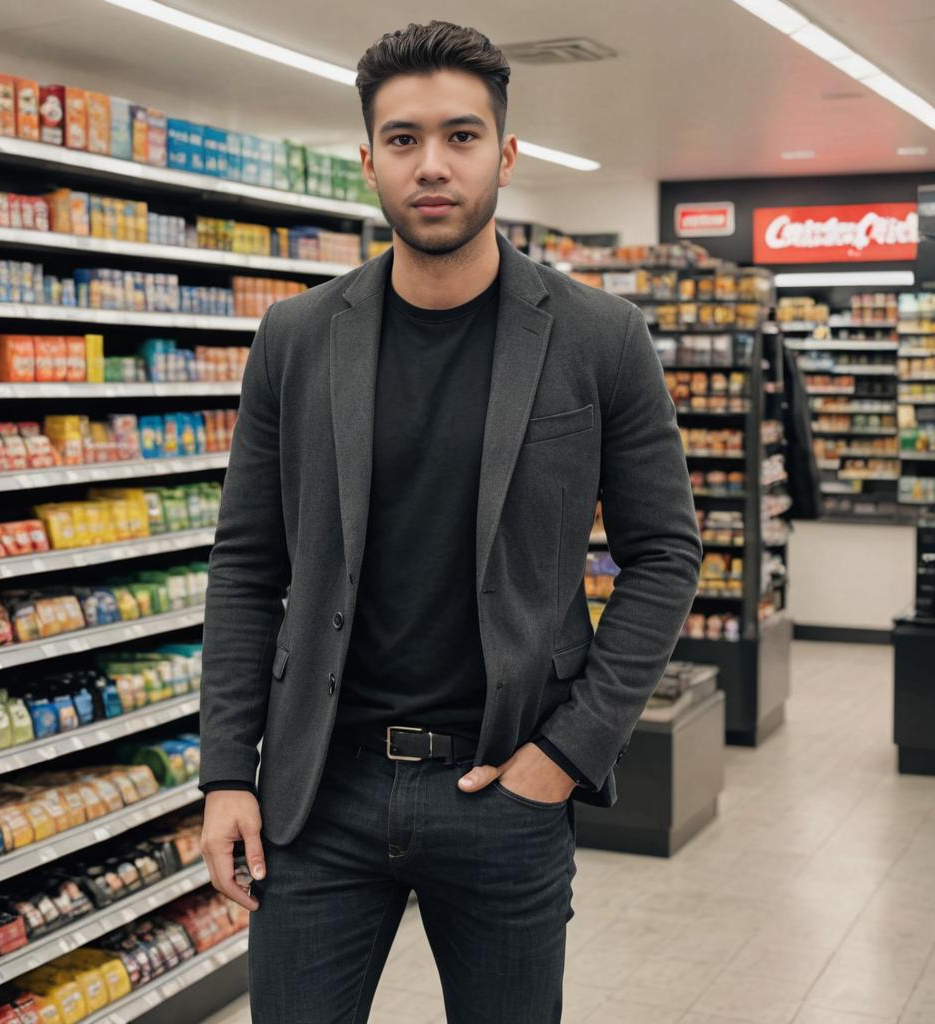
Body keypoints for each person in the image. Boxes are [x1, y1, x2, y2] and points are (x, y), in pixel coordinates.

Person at [198, 19, 702, 1023]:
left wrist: (563, 757)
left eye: (461, 137)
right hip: (318, 790)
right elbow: (249, 563)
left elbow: (663, 551)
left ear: (505, 154)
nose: (432, 165)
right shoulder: (297, 337)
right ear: (368, 158)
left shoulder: (599, 338)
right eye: (403, 139)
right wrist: (225, 771)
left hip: (503, 786)